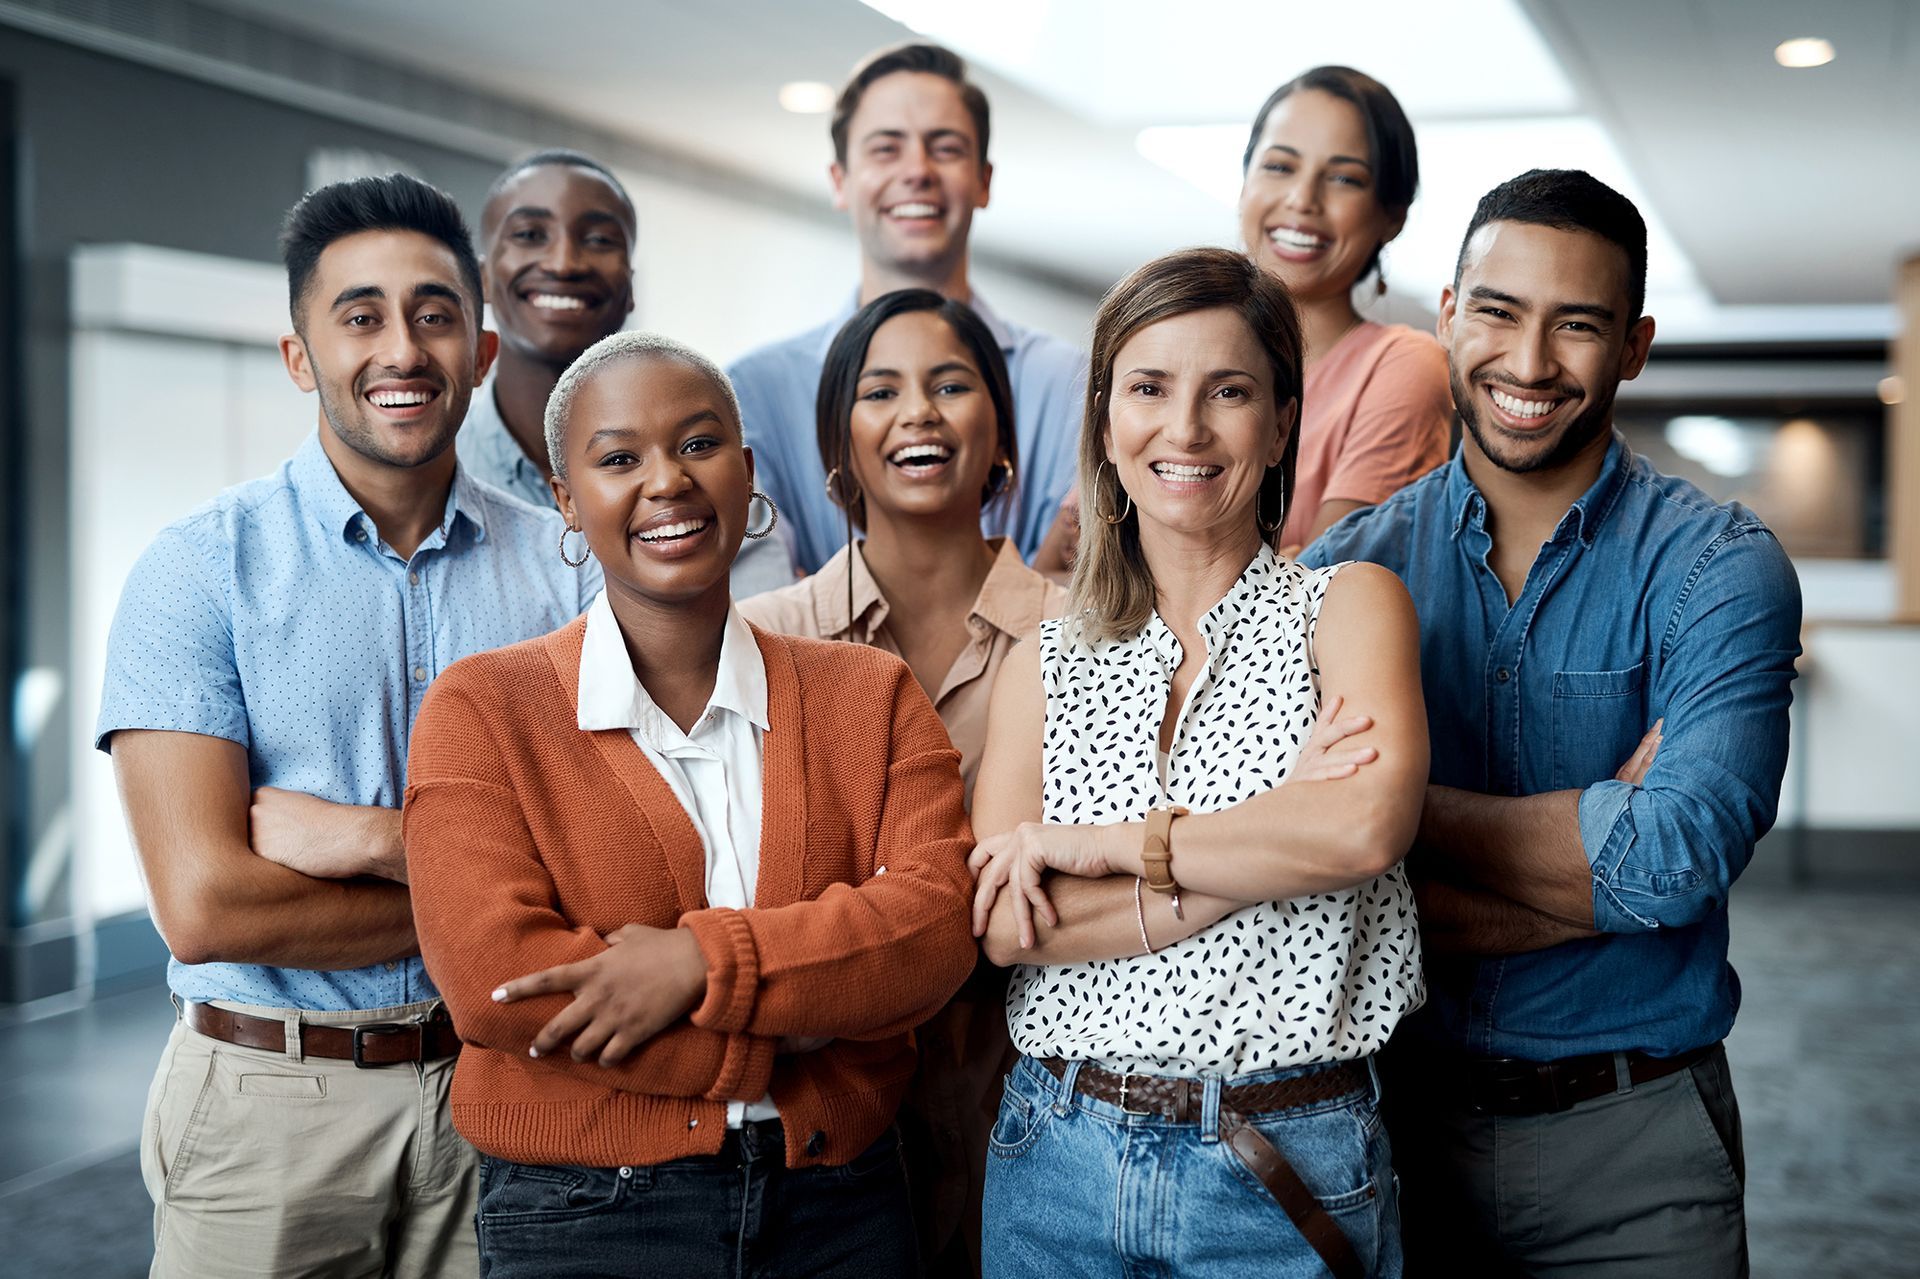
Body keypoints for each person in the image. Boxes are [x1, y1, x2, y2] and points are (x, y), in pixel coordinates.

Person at [1302, 169, 1802, 1276]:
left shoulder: (1718, 567)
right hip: (1384, 1136)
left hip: (1638, 1151)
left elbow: (1672, 863)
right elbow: (1305, 895)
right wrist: (1598, 862)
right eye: (1498, 312)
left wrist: (1385, 815)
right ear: (1443, 315)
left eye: (1576, 325)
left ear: (1634, 345)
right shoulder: (1341, 573)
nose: (1529, 364)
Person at [96, 174, 597, 1277]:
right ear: (300, 355)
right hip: (267, 1111)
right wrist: (499, 892)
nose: (401, 350)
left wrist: (367, 841)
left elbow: (614, 869)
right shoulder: (198, 570)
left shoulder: (568, 575)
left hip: (504, 1091)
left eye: (433, 314)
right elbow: (206, 903)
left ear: (481, 347)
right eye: (360, 316)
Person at [403, 330, 980, 1277]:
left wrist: (695, 965)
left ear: (746, 471)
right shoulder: (483, 707)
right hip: (586, 1208)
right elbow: (497, 980)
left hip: (839, 1199)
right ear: (566, 501)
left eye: (699, 444)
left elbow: (930, 929)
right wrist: (800, 1013)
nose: (666, 480)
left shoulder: (870, 694)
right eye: (619, 458)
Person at [968, 247, 1430, 1278]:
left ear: (1278, 425)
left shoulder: (1347, 608)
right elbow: (1007, 922)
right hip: (1057, 1147)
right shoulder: (1045, 658)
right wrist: (1259, 851)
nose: (1184, 429)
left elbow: (1359, 829)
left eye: (1228, 391)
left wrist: (1094, 850)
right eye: (1149, 388)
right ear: (1105, 421)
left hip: (1283, 1156)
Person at [739, 288, 1065, 1276]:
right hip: (825, 1103)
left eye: (951, 384)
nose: (920, 411)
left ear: (999, 434)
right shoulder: (766, 637)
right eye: (882, 391)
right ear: (839, 446)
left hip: (1039, 1094)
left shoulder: (1086, 633)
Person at [728, 42, 1086, 576]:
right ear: (840, 181)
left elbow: (1075, 592)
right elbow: (769, 610)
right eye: (885, 149)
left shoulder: (1070, 382)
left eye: (945, 148)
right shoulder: (751, 391)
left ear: (983, 180)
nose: (917, 170)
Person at [460, 147, 792, 592]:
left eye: (598, 240)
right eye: (529, 234)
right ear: (481, 277)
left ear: (630, 284)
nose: (564, 263)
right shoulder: (444, 470)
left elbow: (758, 630)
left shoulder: (710, 474)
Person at [1238, 66, 1451, 553]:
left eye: (1343, 178)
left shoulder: (1402, 365)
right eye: (1279, 166)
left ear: (1391, 216)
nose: (1302, 199)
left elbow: (1315, 593)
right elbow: (1070, 561)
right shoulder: (1171, 343)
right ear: (1244, 181)